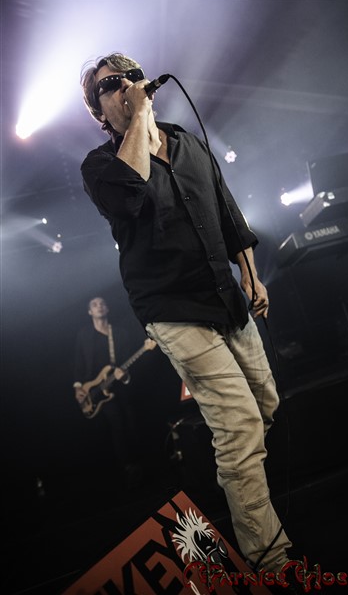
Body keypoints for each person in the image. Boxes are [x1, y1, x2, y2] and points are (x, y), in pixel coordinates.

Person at [79, 53, 295, 578]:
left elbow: (225, 207)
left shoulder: (186, 142)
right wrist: (139, 116)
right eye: (111, 84)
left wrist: (250, 272)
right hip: (172, 310)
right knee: (240, 426)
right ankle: (271, 562)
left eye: (131, 76)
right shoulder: (100, 167)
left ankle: (232, 476)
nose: (127, 85)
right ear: (98, 111)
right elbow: (131, 191)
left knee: (264, 405)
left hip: (224, 295)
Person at [73, 296, 146, 490]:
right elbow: (79, 363)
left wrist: (124, 376)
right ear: (89, 312)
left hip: (120, 387)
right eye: (94, 304)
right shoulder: (83, 335)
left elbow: (127, 363)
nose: (99, 306)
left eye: (102, 303)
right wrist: (78, 387)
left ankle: (140, 464)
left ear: (107, 309)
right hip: (94, 390)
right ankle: (128, 468)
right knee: (117, 425)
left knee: (132, 423)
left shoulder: (120, 334)